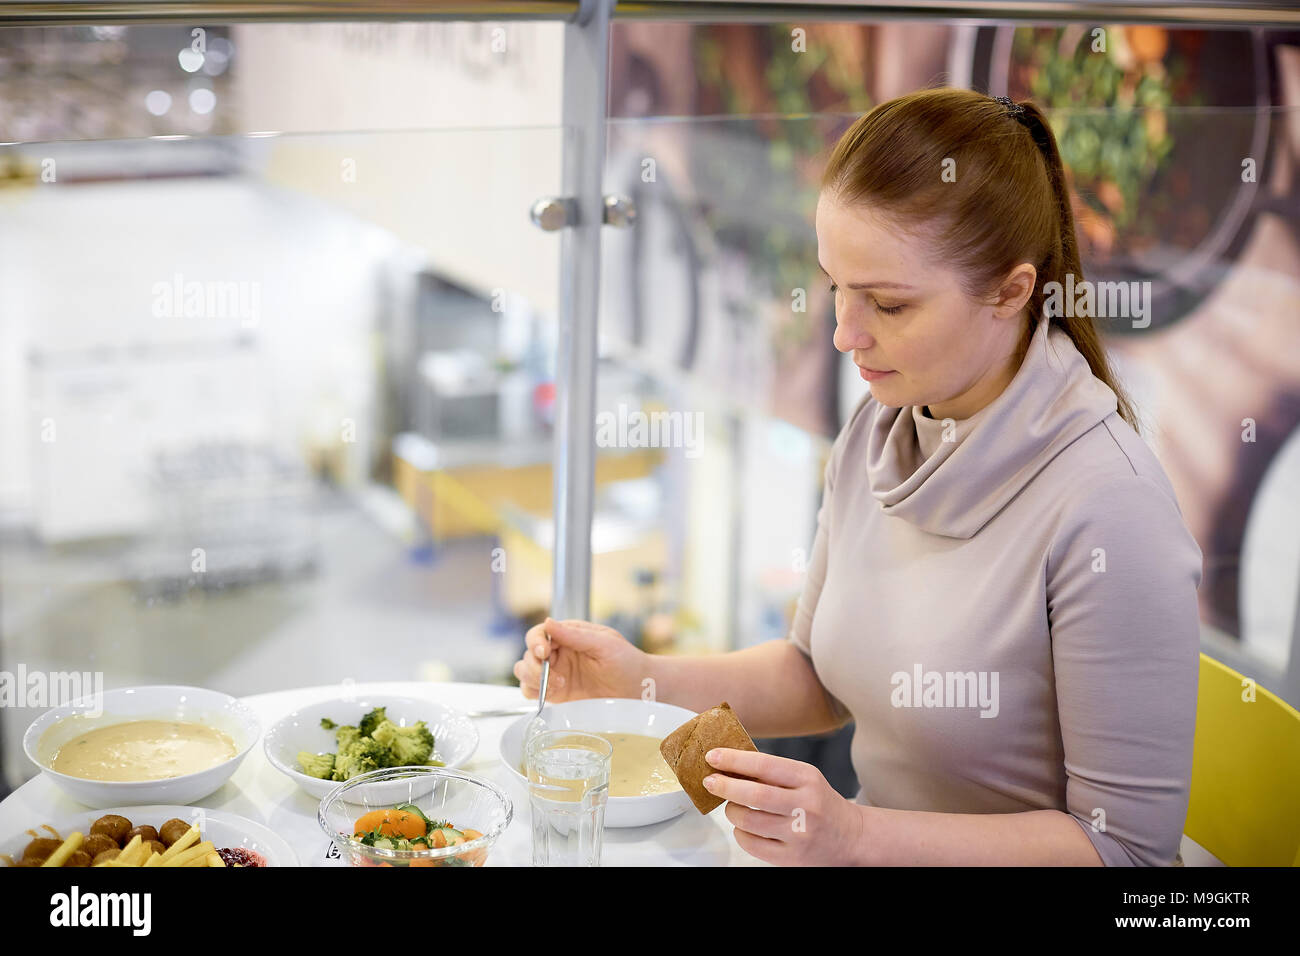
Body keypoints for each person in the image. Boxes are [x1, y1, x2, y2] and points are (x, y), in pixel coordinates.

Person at [514, 88, 1203, 866]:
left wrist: (855, 835)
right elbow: (818, 676)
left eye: (888, 303)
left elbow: (1129, 854)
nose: (844, 332)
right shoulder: (883, 425)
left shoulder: (1111, 508)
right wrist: (642, 681)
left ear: (1012, 292)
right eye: (837, 285)